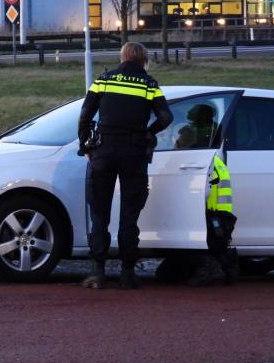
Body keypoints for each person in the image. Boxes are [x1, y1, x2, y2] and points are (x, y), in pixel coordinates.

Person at [77, 42, 173, 289]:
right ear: (143, 59)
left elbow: (85, 114)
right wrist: (148, 132)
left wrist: (86, 146)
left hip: (104, 151)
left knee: (99, 214)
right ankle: (127, 274)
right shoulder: (149, 84)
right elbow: (166, 117)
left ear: (122, 57)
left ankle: (97, 273)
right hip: (134, 152)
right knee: (130, 216)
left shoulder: (104, 80)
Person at [155, 152, 238, 287]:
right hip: (219, 221)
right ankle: (225, 260)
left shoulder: (200, 163)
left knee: (166, 273)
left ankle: (208, 263)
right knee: (164, 274)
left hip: (210, 221)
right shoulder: (216, 162)